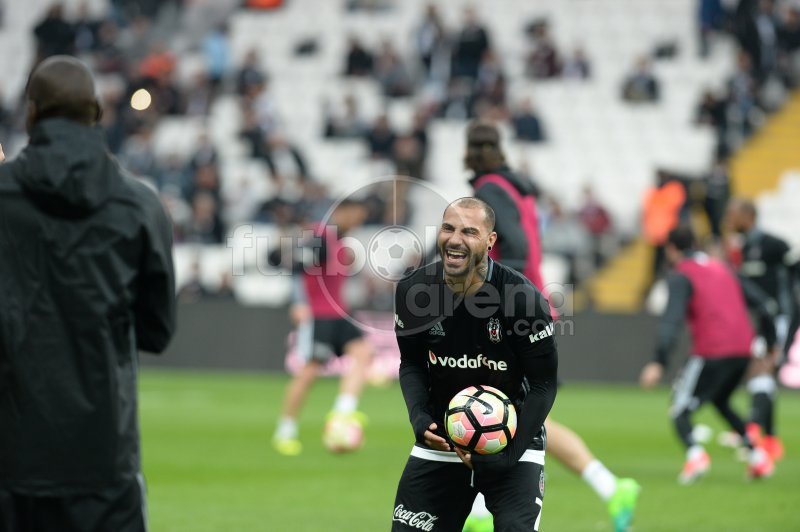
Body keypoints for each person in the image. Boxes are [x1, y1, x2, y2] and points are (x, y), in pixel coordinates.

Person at [0, 56, 176, 531]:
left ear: (30, 113)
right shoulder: (138, 205)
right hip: (102, 456)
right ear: (97, 112)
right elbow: (157, 330)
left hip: (11, 456)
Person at [463, 121, 639, 532]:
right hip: (534, 301)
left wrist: (499, 301)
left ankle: (481, 512)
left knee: (487, 402)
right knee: (518, 411)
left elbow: (518, 248)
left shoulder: (489, 189)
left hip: (513, 309)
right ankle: (610, 487)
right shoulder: (518, 188)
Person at [392, 198, 557, 531]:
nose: (455, 239)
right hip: (441, 443)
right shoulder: (414, 291)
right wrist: (419, 418)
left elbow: (543, 385)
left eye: (469, 231)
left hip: (512, 445)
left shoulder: (521, 299)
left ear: (490, 241)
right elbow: (410, 362)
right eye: (449, 228)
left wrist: (507, 457)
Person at [639, 226, 776, 483]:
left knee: (679, 408)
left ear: (671, 250)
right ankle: (759, 459)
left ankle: (696, 455)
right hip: (742, 350)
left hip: (713, 350)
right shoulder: (723, 268)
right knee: (721, 401)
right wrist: (770, 344)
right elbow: (766, 305)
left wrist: (659, 361)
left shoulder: (681, 275)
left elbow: (672, 320)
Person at [272, 199, 374, 456]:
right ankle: (285, 430)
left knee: (363, 352)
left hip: (339, 313)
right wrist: (297, 302)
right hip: (319, 316)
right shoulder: (320, 237)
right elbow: (297, 267)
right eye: (355, 215)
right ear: (341, 212)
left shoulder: (338, 242)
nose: (357, 221)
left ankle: (343, 411)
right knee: (309, 372)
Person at [724, 198, 799, 460]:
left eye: (733, 214)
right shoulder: (742, 248)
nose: (729, 220)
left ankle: (755, 431)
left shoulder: (774, 244)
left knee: (763, 372)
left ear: (747, 216)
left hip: (778, 318)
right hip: (756, 321)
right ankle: (768, 438)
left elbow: (795, 271)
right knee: (760, 375)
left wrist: (790, 308)